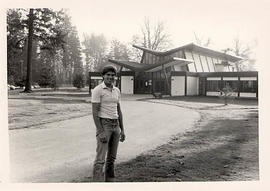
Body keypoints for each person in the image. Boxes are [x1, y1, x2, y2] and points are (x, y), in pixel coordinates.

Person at [91, 65, 125, 182]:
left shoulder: (117, 90)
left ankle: (110, 182)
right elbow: (95, 112)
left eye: (113, 75)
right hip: (104, 125)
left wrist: (122, 129)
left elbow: (119, 110)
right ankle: (97, 184)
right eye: (108, 75)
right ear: (103, 76)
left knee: (111, 158)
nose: (110, 77)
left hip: (116, 126)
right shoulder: (98, 90)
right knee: (101, 159)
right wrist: (100, 131)